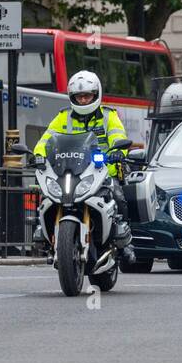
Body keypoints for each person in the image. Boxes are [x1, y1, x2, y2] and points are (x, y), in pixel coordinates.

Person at [32, 70, 134, 256]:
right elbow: (46, 139)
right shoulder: (63, 117)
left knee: (119, 196)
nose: (83, 101)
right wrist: (38, 155)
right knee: (46, 197)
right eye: (79, 97)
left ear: (96, 95)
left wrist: (118, 152)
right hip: (71, 170)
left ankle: (125, 242)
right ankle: (44, 235)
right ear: (72, 97)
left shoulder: (108, 116)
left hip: (102, 169)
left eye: (87, 96)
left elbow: (119, 136)